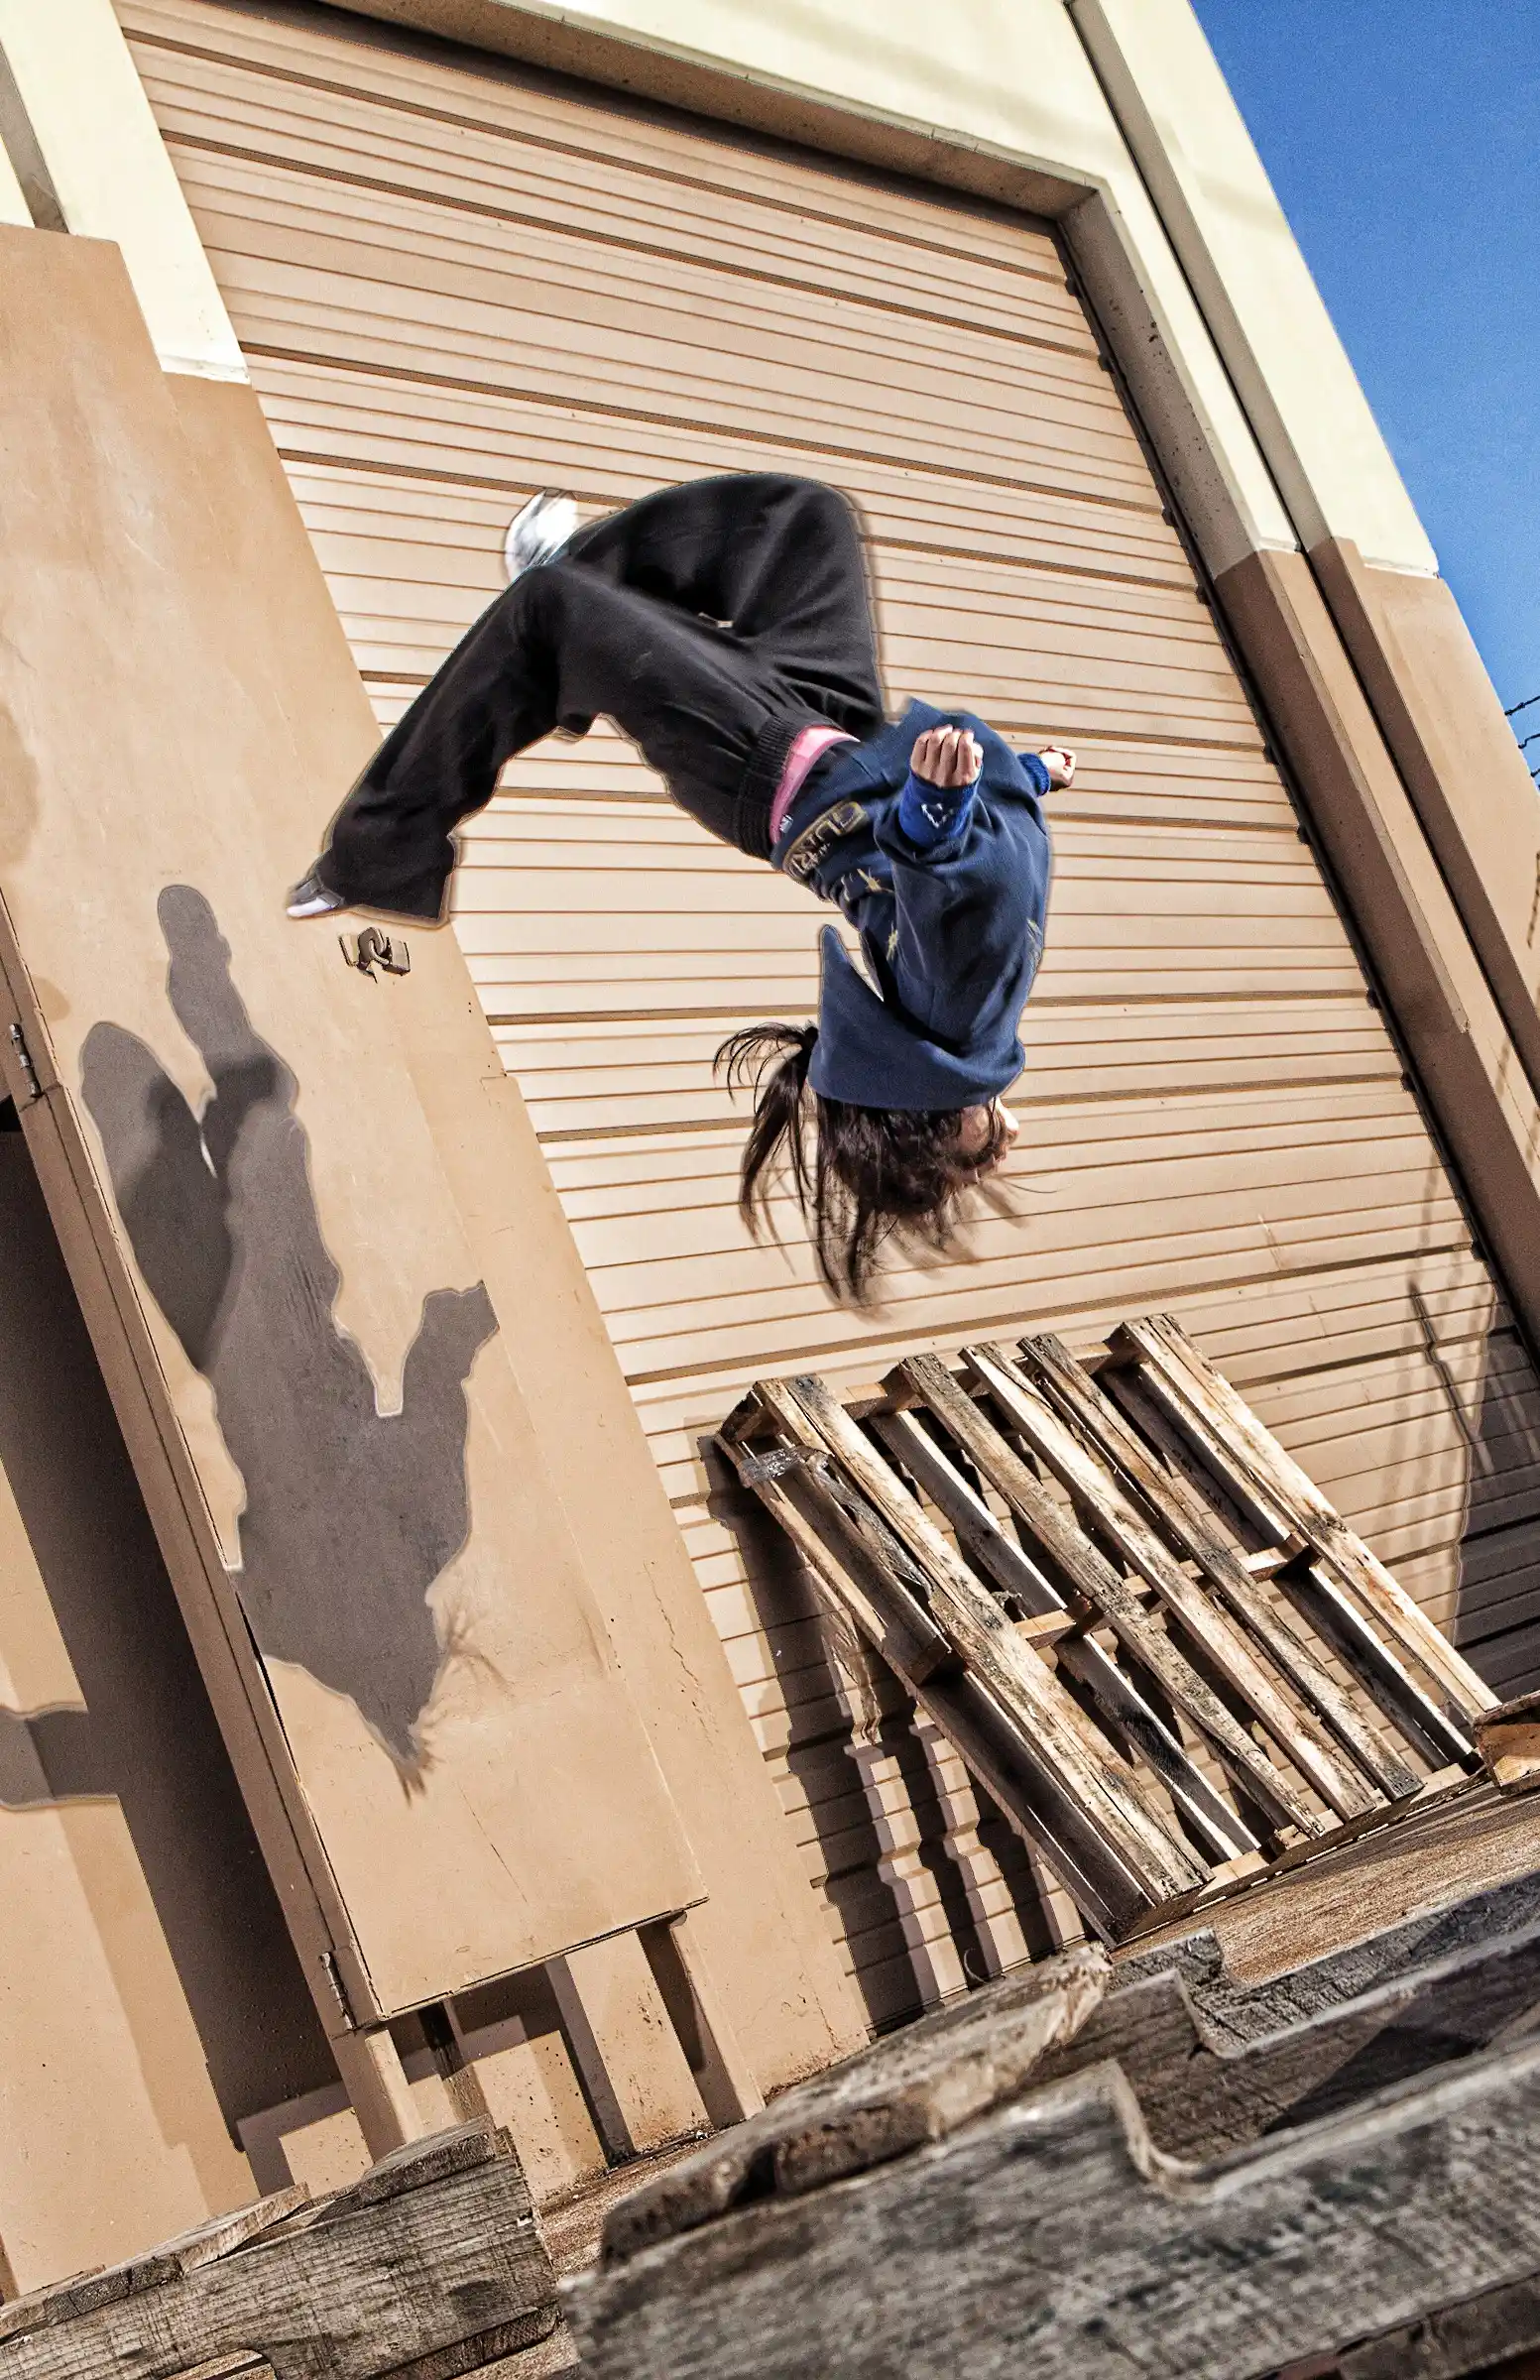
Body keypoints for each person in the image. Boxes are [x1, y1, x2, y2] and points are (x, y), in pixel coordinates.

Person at [288, 473, 1074, 1299]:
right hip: (838, 729)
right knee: (806, 525)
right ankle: (581, 622)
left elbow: (937, 889)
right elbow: (994, 867)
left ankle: (377, 853)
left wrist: (936, 806)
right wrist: (1027, 776)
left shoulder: (957, 1014)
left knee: (547, 609)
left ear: (939, 1116)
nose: (1002, 1149)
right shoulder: (981, 1027)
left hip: (760, 761)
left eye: (974, 1156)